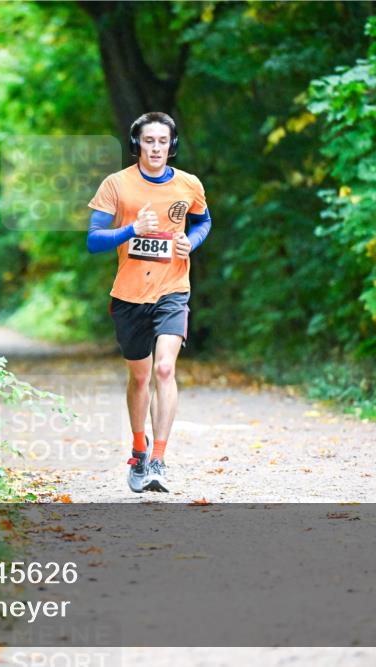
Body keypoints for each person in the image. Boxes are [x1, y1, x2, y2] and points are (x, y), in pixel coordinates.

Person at [86, 112, 211, 493]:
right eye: (148, 141)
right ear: (136, 143)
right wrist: (130, 230)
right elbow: (93, 240)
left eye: (162, 141)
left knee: (164, 371)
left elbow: (204, 221)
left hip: (173, 289)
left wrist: (193, 241)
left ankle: (158, 459)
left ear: (171, 146)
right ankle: (138, 449)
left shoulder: (189, 184)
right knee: (139, 376)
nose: (155, 148)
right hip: (128, 296)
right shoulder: (117, 184)